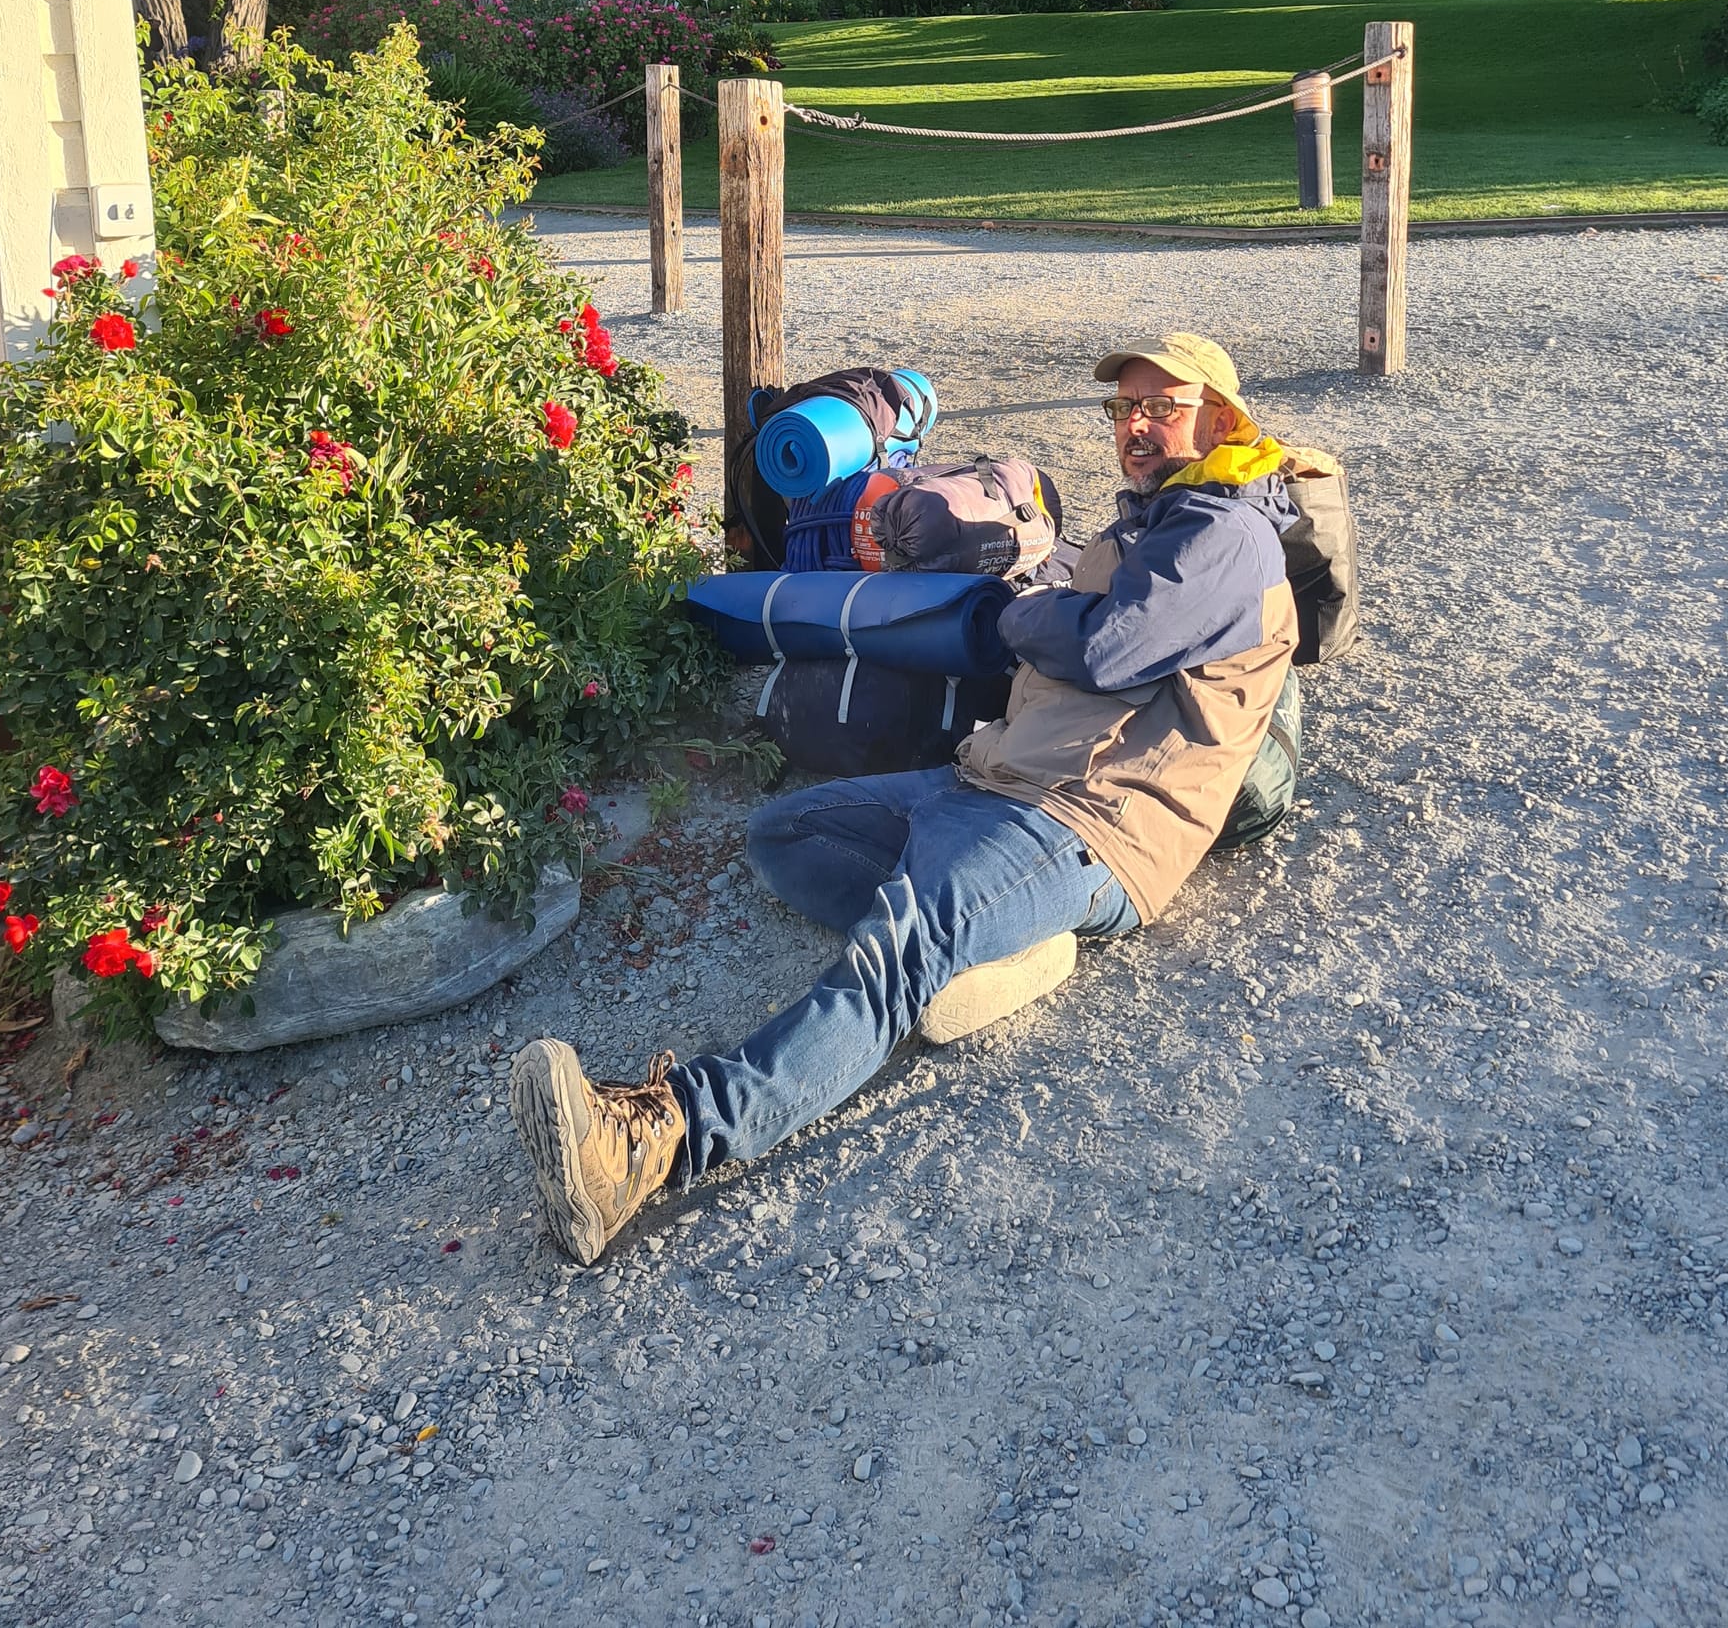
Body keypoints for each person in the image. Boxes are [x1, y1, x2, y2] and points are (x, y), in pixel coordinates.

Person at [509, 333, 1298, 1266]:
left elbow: (1108, 649)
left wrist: (1019, 608)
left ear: (1219, 415)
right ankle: (986, 946)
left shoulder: (1227, 536)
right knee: (786, 834)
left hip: (1087, 821)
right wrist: (1044, 605)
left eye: (1159, 406)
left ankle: (659, 1141)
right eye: (1123, 408)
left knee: (893, 955)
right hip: (996, 779)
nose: (1135, 425)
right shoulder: (1150, 524)